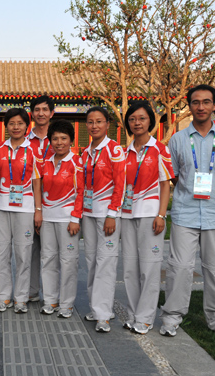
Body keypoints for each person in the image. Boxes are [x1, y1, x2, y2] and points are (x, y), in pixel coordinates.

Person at [160, 84, 215, 341]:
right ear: (190, 106)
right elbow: (173, 175)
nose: (201, 107)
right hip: (186, 213)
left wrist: (213, 191)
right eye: (196, 102)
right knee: (179, 268)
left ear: (214, 105)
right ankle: (172, 317)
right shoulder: (177, 139)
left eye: (206, 102)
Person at [121, 102, 174, 334]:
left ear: (150, 121)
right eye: (132, 119)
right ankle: (133, 315)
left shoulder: (159, 150)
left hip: (150, 216)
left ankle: (145, 318)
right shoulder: (125, 152)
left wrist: (161, 214)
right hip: (127, 215)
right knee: (130, 269)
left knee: (149, 269)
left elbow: (165, 185)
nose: (137, 123)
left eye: (142, 118)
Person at [32, 120, 84, 319]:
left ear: (71, 140)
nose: (59, 142)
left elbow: (81, 192)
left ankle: (66, 304)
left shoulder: (77, 162)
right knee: (48, 259)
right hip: (47, 219)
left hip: (67, 220)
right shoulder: (44, 162)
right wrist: (39, 212)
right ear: (50, 141)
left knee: (69, 261)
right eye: (55, 138)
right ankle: (50, 300)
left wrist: (75, 218)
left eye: (64, 138)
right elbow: (38, 188)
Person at [81, 106, 126, 332]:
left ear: (108, 125)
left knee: (106, 263)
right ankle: (95, 306)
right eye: (90, 122)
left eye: (99, 121)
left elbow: (121, 184)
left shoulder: (114, 150)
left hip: (106, 215)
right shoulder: (86, 152)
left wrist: (112, 214)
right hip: (88, 214)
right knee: (91, 262)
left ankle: (104, 314)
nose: (94, 126)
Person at [0, 108, 38, 314]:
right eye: (12, 123)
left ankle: (21, 298)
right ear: (6, 126)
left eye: (20, 123)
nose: (16, 127)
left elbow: (37, 182)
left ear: (26, 126)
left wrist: (38, 210)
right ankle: (3, 297)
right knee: (1, 253)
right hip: (1, 206)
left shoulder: (34, 150)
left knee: (23, 253)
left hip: (25, 208)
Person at [26, 95, 56, 302]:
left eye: (45, 109)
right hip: (28, 200)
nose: (41, 113)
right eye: (37, 109)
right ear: (32, 113)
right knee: (30, 248)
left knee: (51, 250)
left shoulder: (59, 139)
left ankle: (52, 294)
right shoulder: (25, 140)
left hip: (55, 200)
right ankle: (31, 291)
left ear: (52, 113)